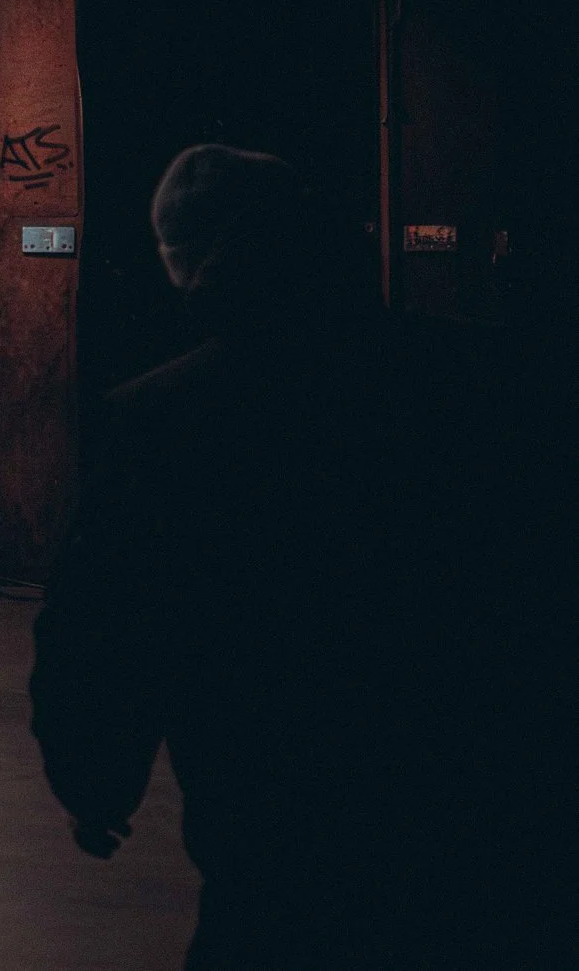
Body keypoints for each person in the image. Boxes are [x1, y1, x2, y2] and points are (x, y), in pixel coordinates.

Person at [30, 144, 562, 968]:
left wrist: (96, 781)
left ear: (189, 267)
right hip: (493, 821)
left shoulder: (164, 420)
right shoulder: (486, 379)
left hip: (278, 840)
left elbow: (99, 627)